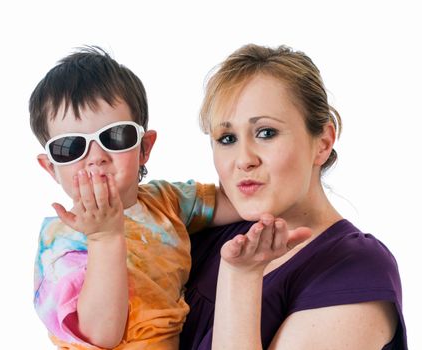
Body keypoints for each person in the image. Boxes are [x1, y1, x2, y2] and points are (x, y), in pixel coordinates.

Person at [179, 44, 408, 349]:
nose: (243, 159)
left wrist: (241, 277)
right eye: (227, 138)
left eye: (266, 133)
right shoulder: (199, 235)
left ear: (323, 143)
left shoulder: (356, 269)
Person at [29, 47, 250, 349]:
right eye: (70, 147)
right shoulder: (63, 242)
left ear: (144, 148)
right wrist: (105, 238)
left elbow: (242, 203)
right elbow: (102, 334)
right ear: (51, 167)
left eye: (115, 136)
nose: (96, 158)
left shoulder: (166, 201)